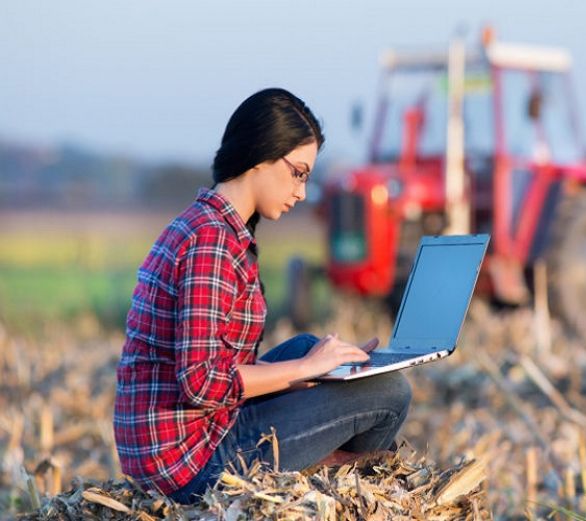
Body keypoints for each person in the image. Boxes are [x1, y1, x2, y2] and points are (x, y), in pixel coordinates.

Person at [113, 88, 412, 504]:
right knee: (390, 392)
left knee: (324, 353)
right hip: (189, 466)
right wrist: (305, 368)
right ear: (263, 155)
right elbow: (201, 383)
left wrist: (315, 369)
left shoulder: (209, 225)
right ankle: (341, 487)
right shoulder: (212, 243)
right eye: (299, 173)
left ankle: (330, 471)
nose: (303, 192)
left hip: (192, 436)